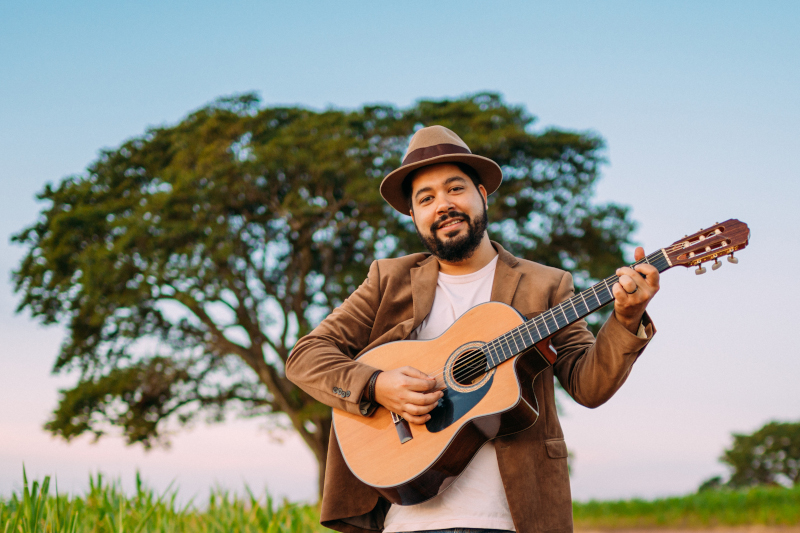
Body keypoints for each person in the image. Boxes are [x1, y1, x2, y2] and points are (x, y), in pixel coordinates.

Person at [286, 125, 660, 533]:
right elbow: (305, 357)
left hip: (512, 519)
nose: (442, 204)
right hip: (406, 521)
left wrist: (626, 319)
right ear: (413, 216)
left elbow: (588, 386)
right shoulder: (387, 280)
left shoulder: (547, 285)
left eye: (455, 189)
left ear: (482, 195)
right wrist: (376, 384)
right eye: (425, 198)